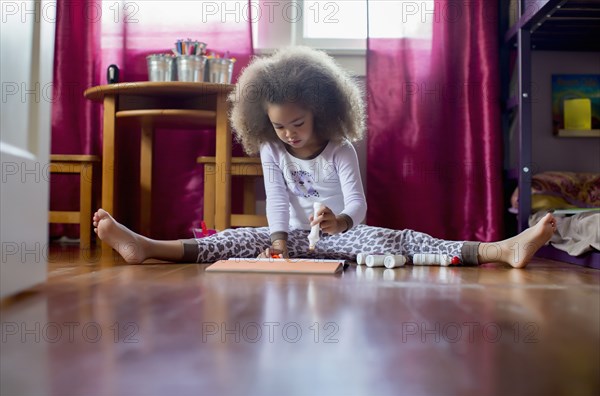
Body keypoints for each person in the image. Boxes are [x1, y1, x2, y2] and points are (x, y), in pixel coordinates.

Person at [93, 46, 557, 268]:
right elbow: (275, 199)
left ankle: (501, 248)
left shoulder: (339, 151)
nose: (289, 135)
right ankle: (147, 247)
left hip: (345, 239)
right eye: (279, 126)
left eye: (298, 124)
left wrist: (340, 222)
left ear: (322, 113)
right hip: (292, 242)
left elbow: (358, 205)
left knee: (399, 239)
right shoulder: (273, 149)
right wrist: (275, 240)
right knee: (232, 240)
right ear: (264, 122)